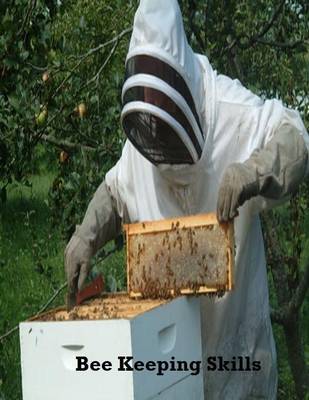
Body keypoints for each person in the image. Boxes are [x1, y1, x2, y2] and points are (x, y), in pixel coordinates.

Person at [64, 1, 309, 398]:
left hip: (236, 355)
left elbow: (296, 138)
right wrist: (87, 234)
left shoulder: (231, 111)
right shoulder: (145, 135)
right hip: (167, 369)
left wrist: (255, 170)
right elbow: (116, 189)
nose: (159, 141)